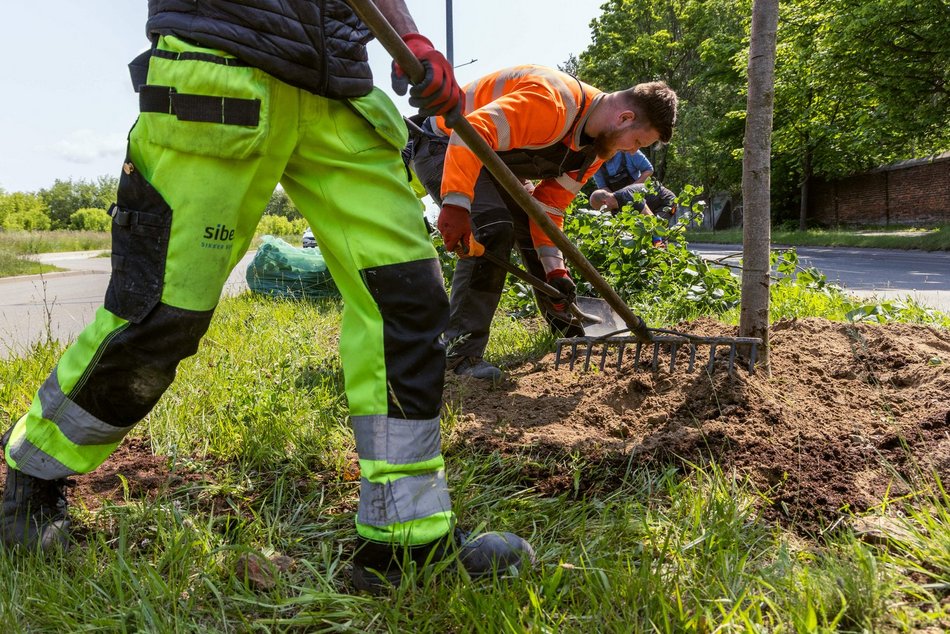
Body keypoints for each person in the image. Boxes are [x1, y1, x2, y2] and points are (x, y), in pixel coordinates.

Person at [1, 0, 533, 592]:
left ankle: (406, 538)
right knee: (163, 313)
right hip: (222, 65)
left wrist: (410, 38)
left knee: (406, 303)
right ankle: (35, 469)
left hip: (341, 91)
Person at [410, 65, 678, 381]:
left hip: (490, 159)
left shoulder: (595, 149)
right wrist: (456, 204)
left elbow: (548, 209)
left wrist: (556, 271)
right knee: (493, 227)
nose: (632, 150)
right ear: (625, 118)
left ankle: (571, 336)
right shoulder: (553, 103)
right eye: (637, 141)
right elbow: (472, 131)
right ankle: (460, 356)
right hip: (445, 142)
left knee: (531, 226)